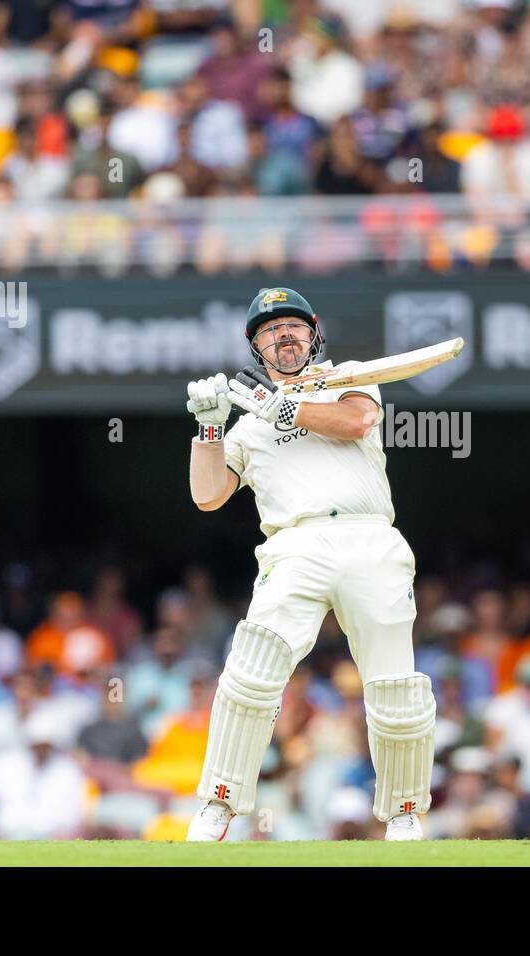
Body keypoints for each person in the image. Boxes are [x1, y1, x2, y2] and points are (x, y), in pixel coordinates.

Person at [182, 287, 431, 842]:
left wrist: (289, 407)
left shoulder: (349, 378)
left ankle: (405, 812)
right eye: (270, 330)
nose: (283, 335)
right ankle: (219, 803)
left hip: (369, 537)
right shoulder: (247, 424)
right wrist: (208, 427)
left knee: (394, 682)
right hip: (294, 544)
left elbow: (358, 422)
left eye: (292, 325)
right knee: (252, 668)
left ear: (313, 332)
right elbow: (207, 495)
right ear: (256, 347)